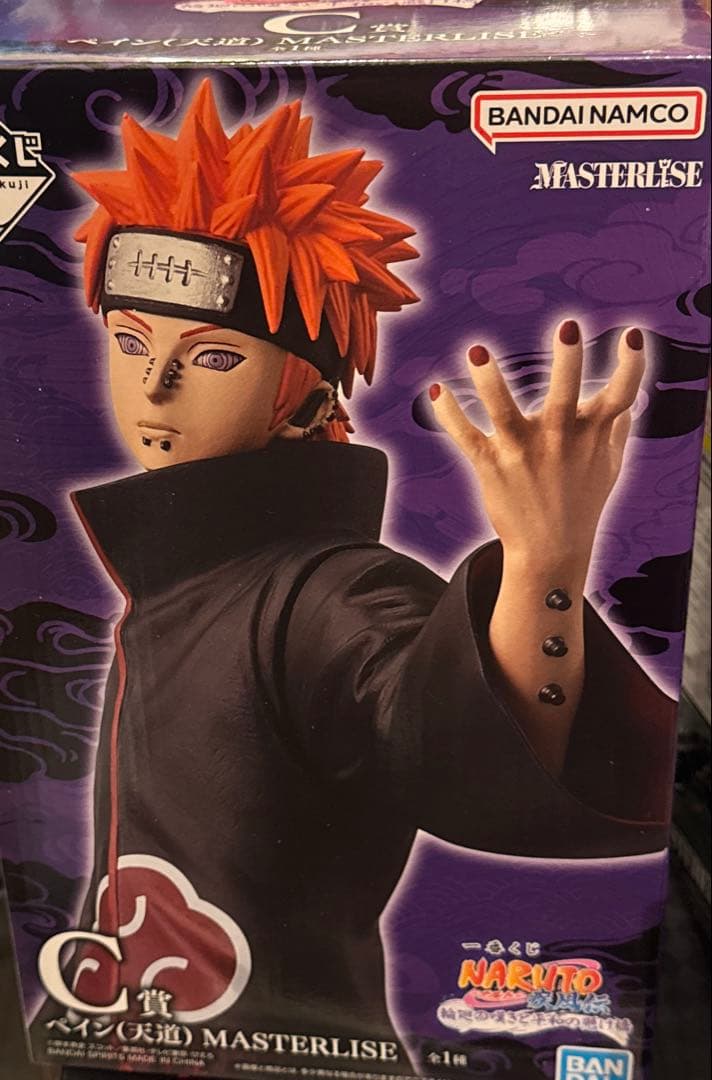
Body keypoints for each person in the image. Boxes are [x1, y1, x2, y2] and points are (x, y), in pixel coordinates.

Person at [34, 80, 674, 1075]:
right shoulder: (174, 580)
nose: (153, 387)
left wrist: (543, 564)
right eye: (129, 341)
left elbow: (456, 759)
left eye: (212, 356)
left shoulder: (327, 591)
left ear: (305, 388)